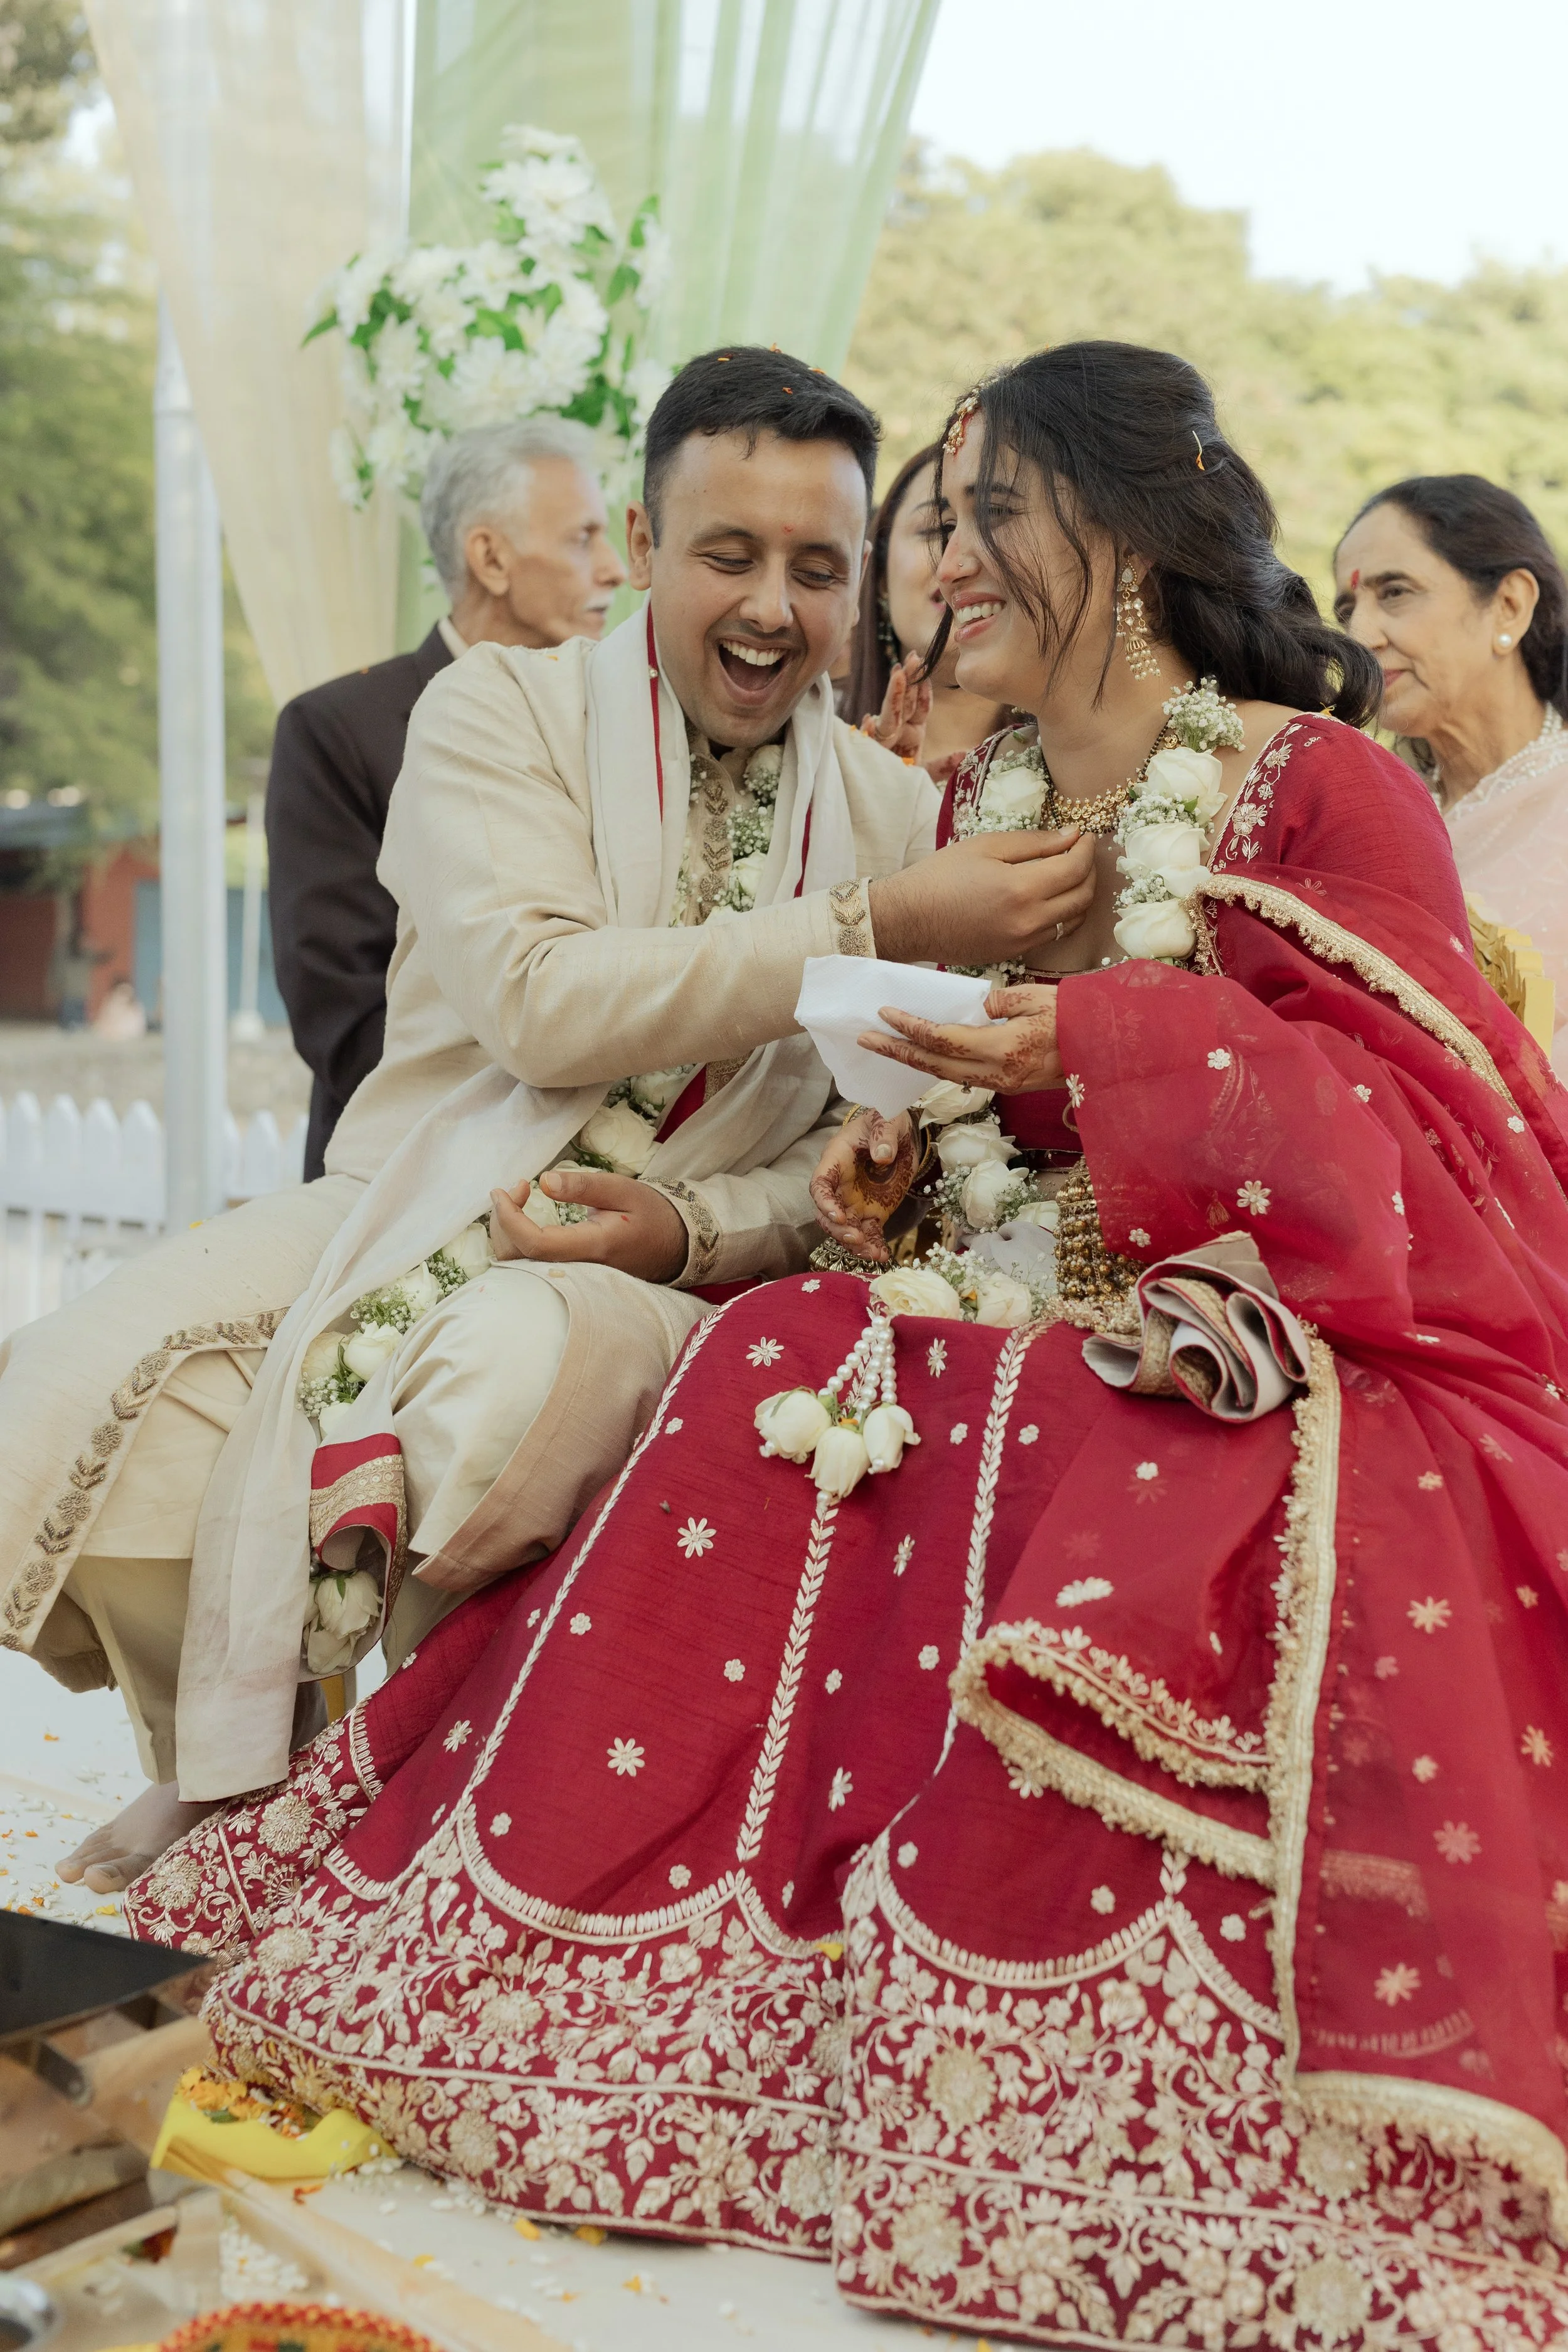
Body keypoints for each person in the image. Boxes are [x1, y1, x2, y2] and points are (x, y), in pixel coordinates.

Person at [129, 345, 1568, 2346]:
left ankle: (1047, 2065)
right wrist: (885, 1164)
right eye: (942, 517)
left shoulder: (1304, 779)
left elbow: (1429, 1132)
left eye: (987, 516)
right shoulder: (953, 797)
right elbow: (871, 1119)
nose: (938, 560)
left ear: (1120, 535)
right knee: (770, 1355)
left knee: (1068, 1422)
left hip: (1250, 1323)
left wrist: (1095, 1039)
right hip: (960, 1294)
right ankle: (671, 1992)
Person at [3, 343, 1097, 1896]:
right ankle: (245, 1774)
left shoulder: (888, 803)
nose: (773, 607)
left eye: (816, 566)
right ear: (642, 550)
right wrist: (875, 914)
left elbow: (870, 1150)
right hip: (414, 1192)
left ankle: (379, 1802)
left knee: (497, 1384)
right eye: (728, 554)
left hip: (651, 1280)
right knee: (54, 1400)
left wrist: (695, 1225)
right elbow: (539, 1001)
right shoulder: (496, 710)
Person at [268, 418, 628, 1179]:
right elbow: (344, 1018)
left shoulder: (626, 725)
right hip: (398, 1180)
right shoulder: (337, 730)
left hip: (604, 1190)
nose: (615, 569)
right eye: (582, 538)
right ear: (490, 557)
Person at [1334, 475, 1568, 1075]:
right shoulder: (1368, 821)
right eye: (1347, 608)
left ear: (1510, 604)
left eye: (1396, 592)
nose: (1359, 636)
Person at [842, 440, 1011, 785]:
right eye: (941, 529)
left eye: (994, 522)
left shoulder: (1082, 764)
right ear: (878, 576)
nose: (962, 560)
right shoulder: (803, 741)